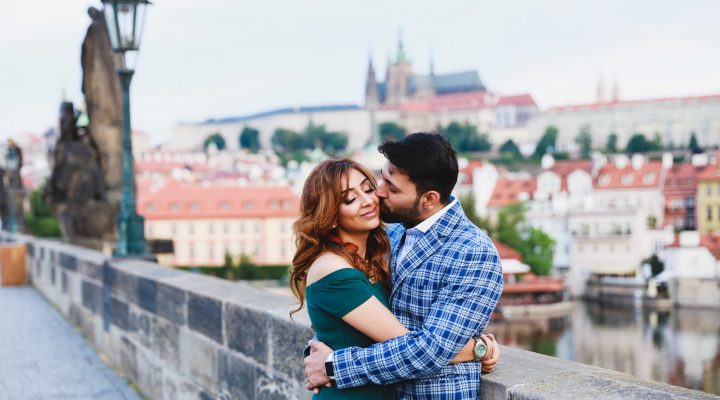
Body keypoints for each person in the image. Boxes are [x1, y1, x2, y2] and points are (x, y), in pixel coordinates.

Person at [304, 132, 504, 399]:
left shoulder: (473, 251)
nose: (378, 193)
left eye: (393, 188)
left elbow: (431, 351)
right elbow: (342, 319)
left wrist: (333, 365)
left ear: (429, 199)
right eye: (382, 178)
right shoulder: (391, 234)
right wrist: (478, 348)